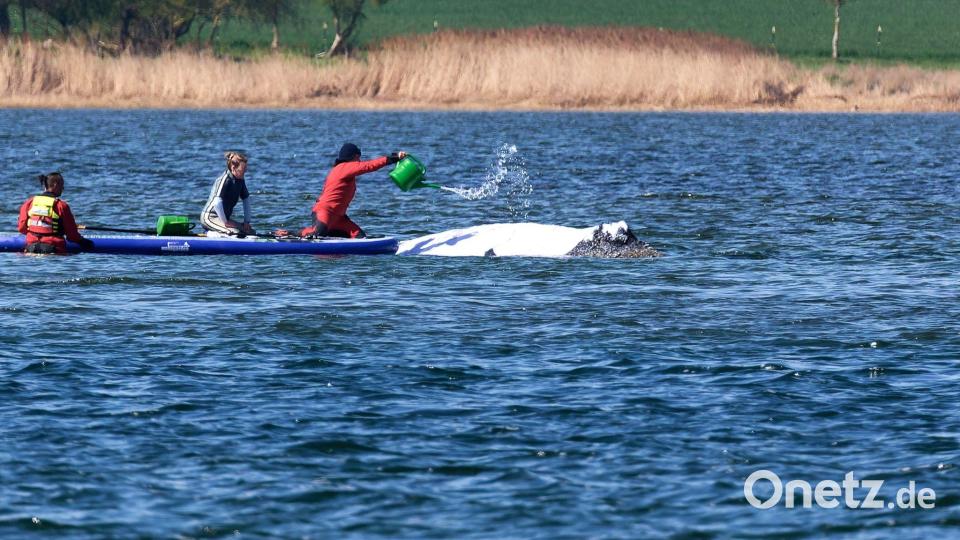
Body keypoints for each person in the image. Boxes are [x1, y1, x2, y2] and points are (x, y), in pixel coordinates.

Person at [299, 143, 405, 238]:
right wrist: (394, 158)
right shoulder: (344, 167)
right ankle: (293, 234)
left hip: (339, 218)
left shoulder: (342, 170)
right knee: (318, 235)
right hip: (324, 212)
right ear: (353, 157)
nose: (359, 161)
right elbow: (369, 166)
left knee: (360, 237)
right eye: (358, 157)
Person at [17, 172, 94, 254]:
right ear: (55, 185)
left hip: (31, 248)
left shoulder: (29, 202)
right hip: (54, 249)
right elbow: (72, 236)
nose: (63, 188)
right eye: (62, 185)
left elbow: (21, 228)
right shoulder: (61, 205)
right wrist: (84, 242)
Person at [201, 151, 254, 235]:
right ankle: (210, 234)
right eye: (242, 170)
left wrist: (246, 222)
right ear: (233, 167)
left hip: (223, 219)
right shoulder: (225, 179)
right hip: (210, 217)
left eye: (245, 170)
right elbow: (217, 202)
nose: (245, 172)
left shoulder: (240, 180)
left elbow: (246, 199)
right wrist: (225, 222)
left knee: (250, 232)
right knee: (234, 233)